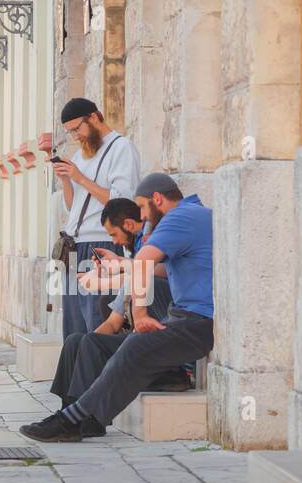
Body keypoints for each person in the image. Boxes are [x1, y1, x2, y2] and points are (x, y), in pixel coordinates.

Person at [21, 173, 213, 443]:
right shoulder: (190, 216)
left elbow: (146, 262)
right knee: (101, 344)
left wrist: (140, 314)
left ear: (157, 199)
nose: (142, 216)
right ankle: (78, 416)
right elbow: (157, 268)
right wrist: (122, 264)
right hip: (179, 319)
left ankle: (73, 421)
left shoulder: (181, 216)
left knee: (135, 346)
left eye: (144, 207)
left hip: (196, 324)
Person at [48, 198, 190, 438]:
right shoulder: (136, 266)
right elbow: (113, 322)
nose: (113, 242)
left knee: (91, 344)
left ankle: (89, 419)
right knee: (76, 340)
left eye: (113, 235)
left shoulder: (155, 267)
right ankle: (67, 413)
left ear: (129, 225)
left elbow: (152, 276)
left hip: (163, 354)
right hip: (137, 342)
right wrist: (86, 341)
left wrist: (106, 279)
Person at [52, 97, 142, 339]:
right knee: (74, 325)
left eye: (76, 129)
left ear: (94, 117)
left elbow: (123, 203)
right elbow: (73, 209)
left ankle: (100, 375)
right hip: (74, 246)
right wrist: (66, 181)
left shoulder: (121, 148)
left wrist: (80, 178)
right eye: (69, 132)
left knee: (97, 320)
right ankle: (77, 374)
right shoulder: (83, 155)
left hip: (102, 245)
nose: (75, 137)